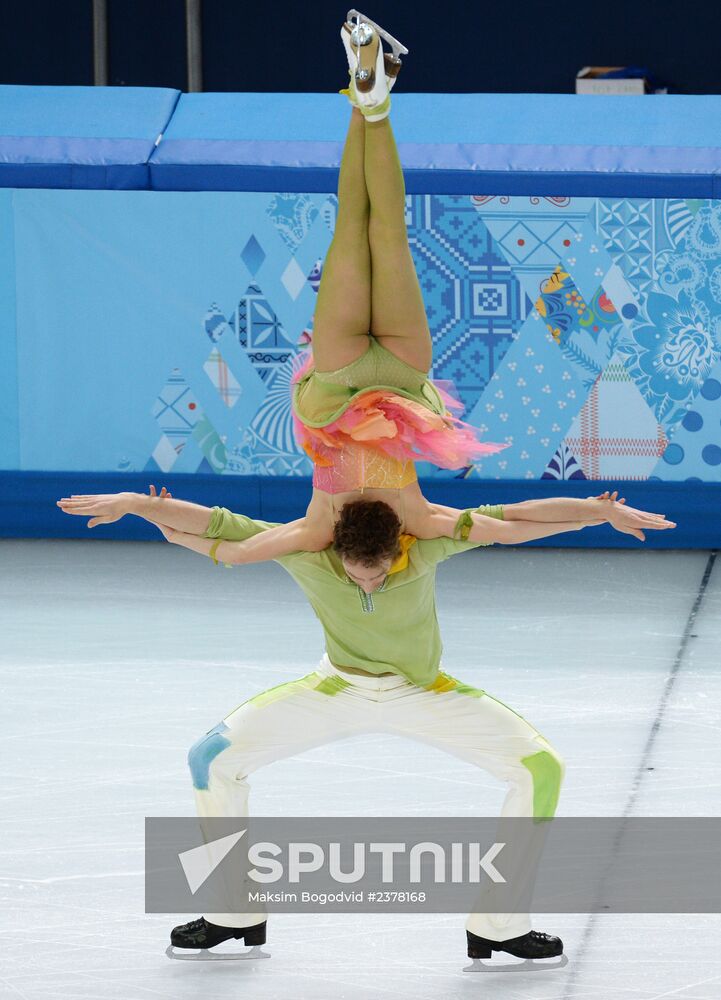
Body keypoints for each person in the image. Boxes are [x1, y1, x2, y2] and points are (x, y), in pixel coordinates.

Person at [59, 484, 674, 965]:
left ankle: (499, 926)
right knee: (210, 760)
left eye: (379, 572)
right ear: (338, 552)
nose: (369, 581)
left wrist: (599, 511)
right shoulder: (307, 551)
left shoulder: (429, 543)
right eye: (358, 573)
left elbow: (516, 518)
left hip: (423, 692)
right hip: (337, 688)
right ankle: (234, 911)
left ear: (398, 549)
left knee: (542, 768)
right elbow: (220, 525)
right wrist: (139, 506)